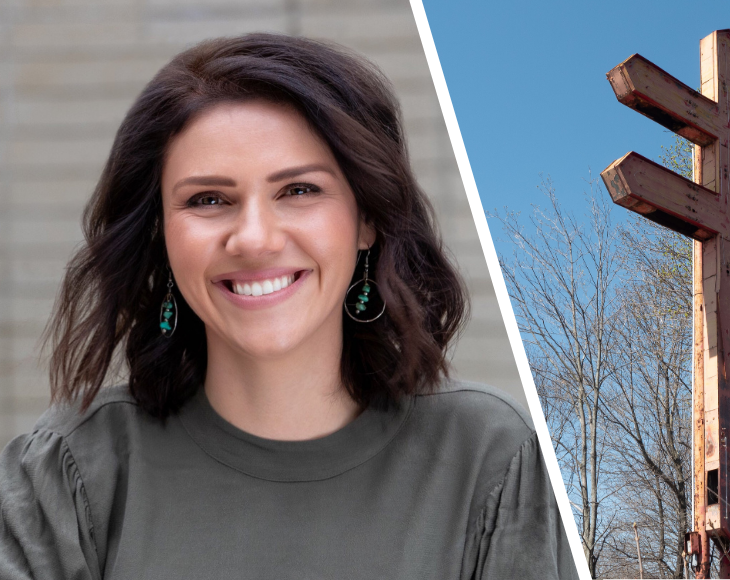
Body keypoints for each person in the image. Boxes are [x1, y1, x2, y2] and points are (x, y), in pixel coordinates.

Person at [0, 33, 576, 579]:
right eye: (208, 199)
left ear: (367, 218)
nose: (254, 238)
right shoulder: (68, 470)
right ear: (159, 233)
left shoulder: (493, 460)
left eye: (298, 190)